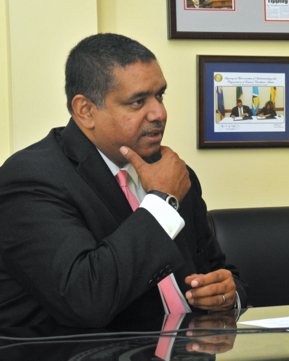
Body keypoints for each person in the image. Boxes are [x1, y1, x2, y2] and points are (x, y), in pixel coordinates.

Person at [0, 33, 247, 327]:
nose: (159, 112)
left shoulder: (173, 172)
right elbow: (86, 299)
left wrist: (227, 296)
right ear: (86, 110)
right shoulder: (31, 178)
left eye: (160, 95)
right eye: (138, 101)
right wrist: (163, 202)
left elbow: (219, 270)